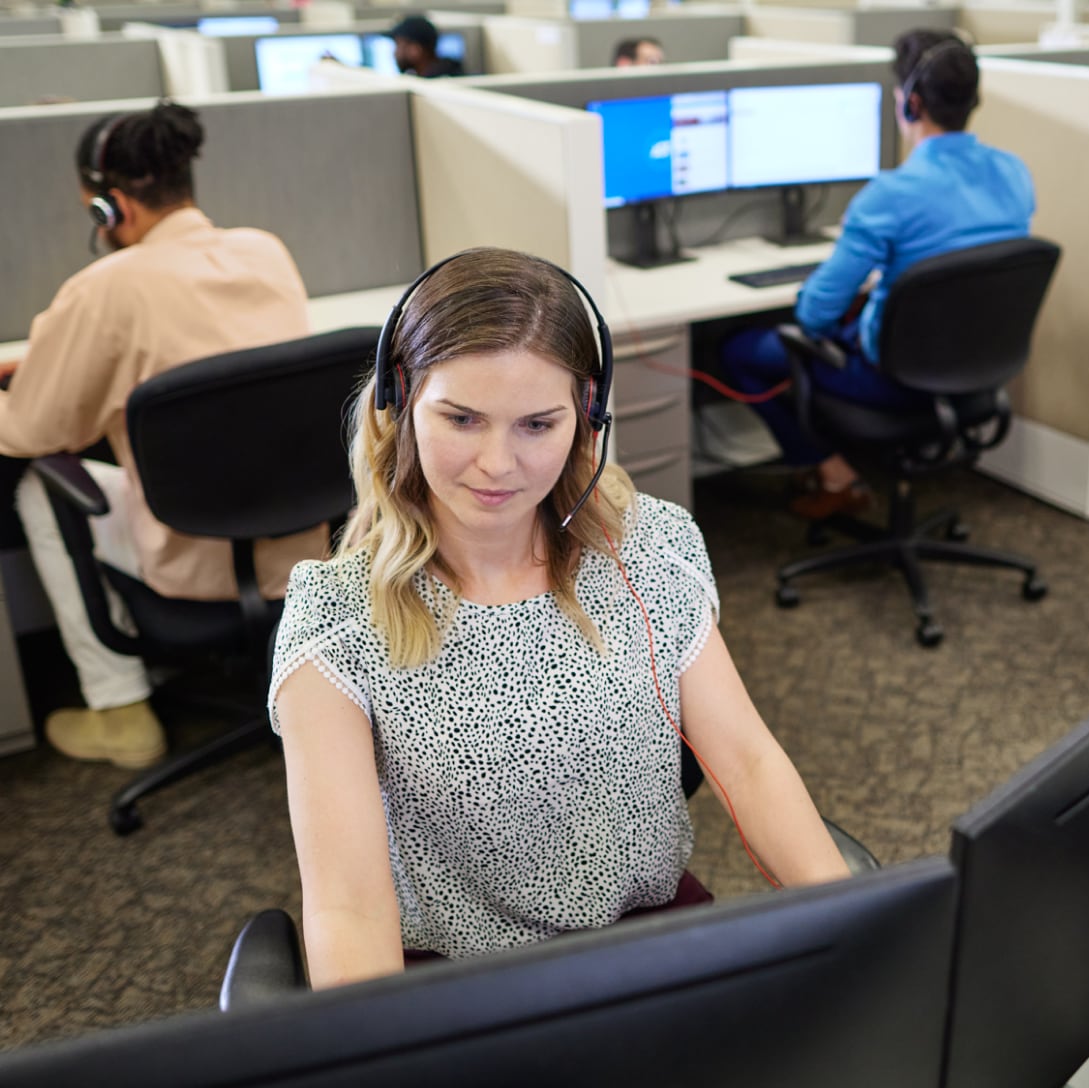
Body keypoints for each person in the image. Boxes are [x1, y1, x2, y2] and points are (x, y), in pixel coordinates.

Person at [268, 247, 851, 989]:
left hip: (654, 945)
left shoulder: (650, 550)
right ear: (401, 401)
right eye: (462, 419)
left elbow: (749, 764)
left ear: (586, 418)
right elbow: (348, 908)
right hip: (458, 986)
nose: (497, 464)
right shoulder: (338, 622)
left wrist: (851, 928)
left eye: (537, 425)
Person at [0, 101, 325, 769]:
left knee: (40, 480)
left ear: (109, 208)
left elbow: (35, 427)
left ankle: (119, 708)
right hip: (303, 551)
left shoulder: (105, 289)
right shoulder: (266, 251)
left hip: (191, 560)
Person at [719, 30, 1034, 520]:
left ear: (910, 104)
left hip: (894, 381)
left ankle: (834, 473)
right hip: (978, 374)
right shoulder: (1015, 173)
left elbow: (814, 314)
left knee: (736, 352)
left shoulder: (890, 195)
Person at [389, 15, 464, 79]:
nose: (395, 53)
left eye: (398, 45)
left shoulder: (438, 85)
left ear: (416, 50)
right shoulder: (439, 74)